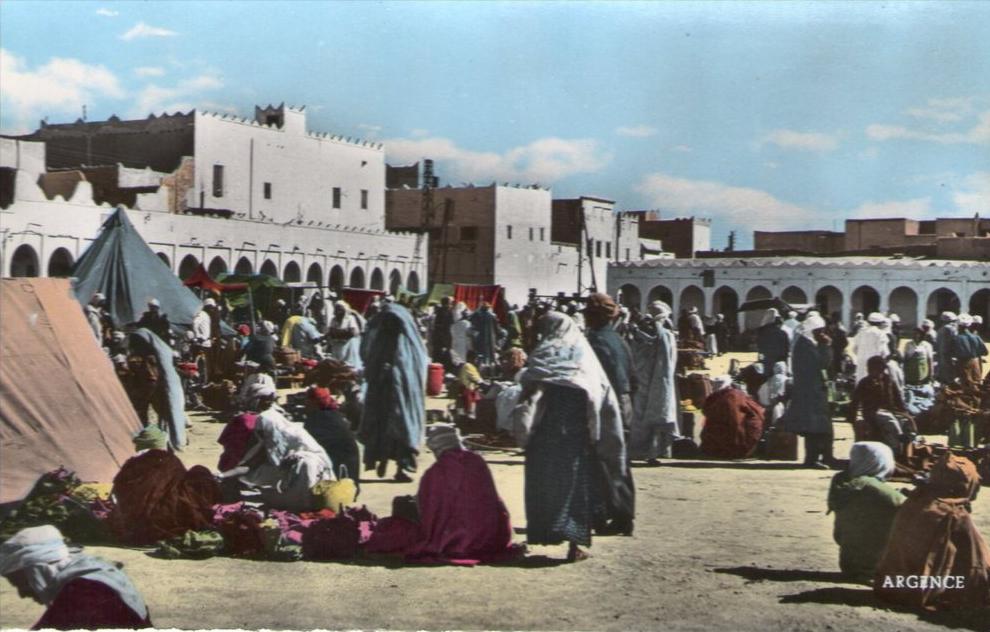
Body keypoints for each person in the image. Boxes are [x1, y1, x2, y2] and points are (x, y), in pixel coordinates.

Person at [514, 311, 627, 561]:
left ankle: (546, 532)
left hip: (544, 436)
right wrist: (601, 435)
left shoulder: (542, 356)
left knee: (545, 486)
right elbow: (601, 397)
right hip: (576, 436)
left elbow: (528, 398)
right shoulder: (584, 359)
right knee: (576, 489)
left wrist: (523, 434)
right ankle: (575, 546)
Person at [367, 424, 516, 564]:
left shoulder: (437, 470)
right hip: (490, 536)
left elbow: (428, 509)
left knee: (397, 520)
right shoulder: (477, 461)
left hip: (453, 539)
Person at [874, 453, 990, 610]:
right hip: (916, 592)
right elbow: (978, 560)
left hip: (888, 585)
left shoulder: (916, 498)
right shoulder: (953, 512)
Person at [0, 525, 152, 629]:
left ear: (38, 570)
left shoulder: (86, 594)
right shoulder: (92, 576)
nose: (22, 594)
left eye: (22, 584)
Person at [218, 385, 335, 512]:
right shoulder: (272, 417)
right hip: (311, 466)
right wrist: (224, 475)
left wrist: (225, 475)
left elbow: (263, 459)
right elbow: (256, 458)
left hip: (308, 468)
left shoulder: (267, 420)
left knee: (289, 504)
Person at [581, 293, 636, 535]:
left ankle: (611, 514)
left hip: (605, 403)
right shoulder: (619, 340)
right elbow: (634, 378)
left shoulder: (594, 342)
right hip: (624, 402)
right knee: (619, 459)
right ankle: (622, 513)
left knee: (601, 459)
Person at [108, 427, 220, 545]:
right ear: (162, 443)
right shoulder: (170, 460)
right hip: (165, 518)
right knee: (200, 472)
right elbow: (178, 487)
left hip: (133, 522)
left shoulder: (131, 464)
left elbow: (117, 490)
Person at [359, 302, 429, 482]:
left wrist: (394, 371)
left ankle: (402, 467)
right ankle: (381, 460)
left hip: (403, 398)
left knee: (403, 431)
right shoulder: (382, 338)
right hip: (382, 394)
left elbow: (415, 371)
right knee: (381, 429)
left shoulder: (410, 344)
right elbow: (369, 359)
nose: (388, 325)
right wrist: (378, 371)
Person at [827, 442, 906, 582]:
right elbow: (905, 506)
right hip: (873, 567)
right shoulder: (871, 487)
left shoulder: (841, 480)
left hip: (849, 561)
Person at [780, 313, 837, 468]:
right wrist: (826, 346)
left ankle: (823, 457)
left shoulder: (806, 344)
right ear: (812, 330)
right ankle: (812, 460)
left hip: (812, 391)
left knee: (818, 426)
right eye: (819, 331)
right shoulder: (805, 346)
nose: (822, 334)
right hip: (810, 392)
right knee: (813, 427)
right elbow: (821, 364)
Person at [628, 300, 679, 463]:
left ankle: (645, 451)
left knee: (644, 416)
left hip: (647, 380)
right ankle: (650, 452)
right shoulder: (665, 336)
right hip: (657, 382)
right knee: (653, 415)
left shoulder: (648, 335)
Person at [127, 328, 187, 450]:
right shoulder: (141, 357)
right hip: (148, 386)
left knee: (164, 416)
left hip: (158, 387)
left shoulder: (154, 357)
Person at [846, 355, 914, 455]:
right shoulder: (864, 382)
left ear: (881, 369)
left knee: (907, 423)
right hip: (871, 412)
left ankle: (905, 451)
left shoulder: (889, 381)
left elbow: (898, 400)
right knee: (889, 421)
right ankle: (895, 449)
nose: (870, 371)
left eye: (874, 369)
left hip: (890, 411)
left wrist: (906, 414)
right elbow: (855, 402)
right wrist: (852, 418)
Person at [302, 386, 361, 489]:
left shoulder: (317, 419)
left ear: (314, 402)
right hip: (351, 482)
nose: (305, 405)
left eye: (307, 401)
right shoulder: (334, 414)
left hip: (336, 485)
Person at [699, 376, 765, 459]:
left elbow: (705, 411)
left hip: (717, 437)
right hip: (739, 437)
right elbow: (756, 411)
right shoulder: (737, 395)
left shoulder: (713, 398)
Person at [851, 312, 890, 384]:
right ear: (879, 323)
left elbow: (854, 349)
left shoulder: (861, 332)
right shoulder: (880, 334)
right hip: (875, 368)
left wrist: (862, 355)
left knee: (861, 387)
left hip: (861, 366)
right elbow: (884, 353)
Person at [756, 308, 790, 376]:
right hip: (779, 362)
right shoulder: (782, 333)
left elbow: (760, 348)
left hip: (766, 362)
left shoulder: (761, 332)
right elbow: (786, 350)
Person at [469, 301, 500, 366]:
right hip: (491, 339)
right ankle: (490, 371)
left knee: (480, 356)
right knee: (491, 357)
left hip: (479, 339)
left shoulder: (477, 315)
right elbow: (497, 330)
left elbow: (472, 323)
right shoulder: (493, 316)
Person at [456, 350, 483, 419]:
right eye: (475, 358)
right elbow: (477, 379)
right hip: (468, 391)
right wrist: (484, 383)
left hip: (468, 389)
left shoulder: (470, 366)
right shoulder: (468, 366)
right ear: (471, 358)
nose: (476, 360)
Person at [935, 311, 960, 384]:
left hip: (941, 357)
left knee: (943, 378)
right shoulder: (951, 329)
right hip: (950, 357)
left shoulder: (939, 330)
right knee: (951, 379)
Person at [431, 297, 455, 367]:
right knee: (444, 356)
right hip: (444, 338)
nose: (451, 305)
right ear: (447, 303)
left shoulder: (438, 311)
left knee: (437, 355)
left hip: (438, 337)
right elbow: (448, 325)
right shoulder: (447, 312)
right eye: (450, 303)